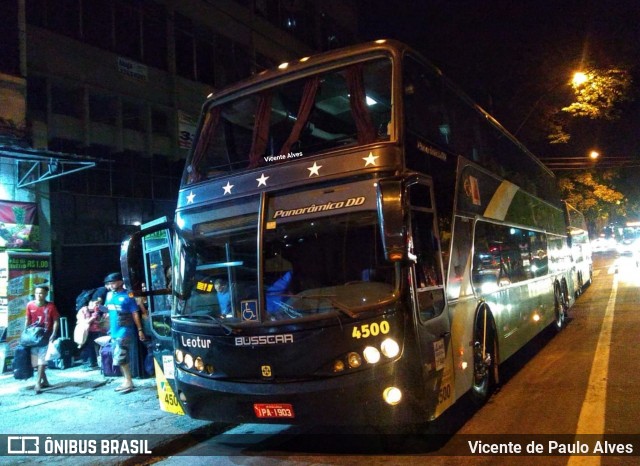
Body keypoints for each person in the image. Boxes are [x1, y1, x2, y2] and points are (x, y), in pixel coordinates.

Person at [103, 272, 145, 394]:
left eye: (113, 282)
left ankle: (128, 381)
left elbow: (135, 313)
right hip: (114, 331)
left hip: (124, 331)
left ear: (121, 282)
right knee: (119, 357)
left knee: (121, 357)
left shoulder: (128, 296)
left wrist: (140, 330)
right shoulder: (109, 295)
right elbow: (107, 311)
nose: (111, 285)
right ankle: (127, 380)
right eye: (110, 283)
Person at [24, 285, 60, 394]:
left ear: (45, 294)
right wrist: (25, 332)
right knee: (35, 361)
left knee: (42, 360)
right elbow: (27, 319)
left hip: (45, 335)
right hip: (33, 336)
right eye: (36, 293)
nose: (38, 295)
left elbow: (56, 321)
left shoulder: (51, 306)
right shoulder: (30, 305)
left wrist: (54, 333)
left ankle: (38, 383)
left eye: (41, 293)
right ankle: (45, 381)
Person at [76, 298, 106, 370]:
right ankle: (91, 363)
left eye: (99, 304)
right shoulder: (84, 310)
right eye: (96, 303)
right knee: (90, 347)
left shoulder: (98, 310)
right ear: (90, 303)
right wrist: (94, 316)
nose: (98, 305)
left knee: (99, 347)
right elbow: (85, 322)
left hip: (97, 331)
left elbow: (101, 321)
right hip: (87, 331)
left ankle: (99, 363)